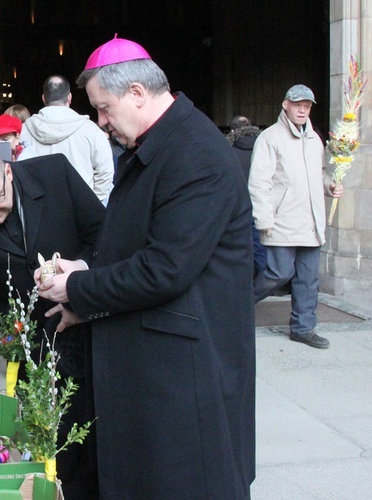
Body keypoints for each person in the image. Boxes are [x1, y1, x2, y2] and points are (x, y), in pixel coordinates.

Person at [35, 37, 256, 499]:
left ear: (137, 93)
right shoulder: (158, 143)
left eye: (105, 108)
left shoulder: (195, 153)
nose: (101, 122)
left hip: (184, 372)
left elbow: (165, 269)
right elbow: (134, 240)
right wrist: (84, 267)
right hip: (155, 363)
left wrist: (79, 287)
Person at [0, 145, 105, 498]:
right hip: (36, 342)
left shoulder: (55, 174)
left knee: (104, 444)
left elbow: (103, 236)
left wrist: (80, 295)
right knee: (55, 448)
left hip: (97, 327)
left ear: (8, 172)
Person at [249, 84, 343, 349]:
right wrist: (264, 220)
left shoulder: (314, 140)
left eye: (307, 105)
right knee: (278, 273)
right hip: (282, 220)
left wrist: (330, 186)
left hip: (310, 221)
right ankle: (237, 305)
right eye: (298, 104)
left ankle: (303, 328)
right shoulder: (270, 138)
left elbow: (319, 174)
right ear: (285, 104)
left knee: (308, 277)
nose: (303, 109)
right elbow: (258, 182)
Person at [19, 75, 114, 202]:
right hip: (81, 209)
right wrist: (94, 204)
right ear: (69, 97)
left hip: (39, 209)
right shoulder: (91, 130)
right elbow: (105, 173)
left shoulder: (23, 130)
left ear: (43, 98)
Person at [227, 115, 266, 277]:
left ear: (232, 130)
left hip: (237, 208)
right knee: (261, 249)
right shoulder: (264, 147)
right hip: (263, 204)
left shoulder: (227, 151)